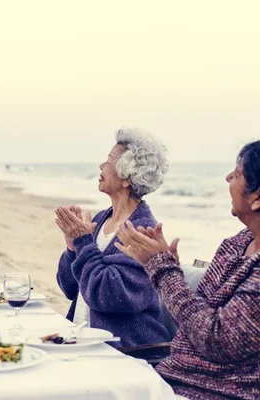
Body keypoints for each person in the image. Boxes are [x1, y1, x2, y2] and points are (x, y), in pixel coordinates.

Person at [116, 140, 260, 400]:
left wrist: (162, 269)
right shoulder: (235, 244)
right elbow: (195, 317)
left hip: (212, 392)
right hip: (172, 377)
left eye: (237, 174)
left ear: (257, 197)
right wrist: (168, 273)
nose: (227, 177)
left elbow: (217, 340)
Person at [55, 128, 171, 347]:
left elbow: (107, 296)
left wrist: (83, 242)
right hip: (82, 344)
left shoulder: (142, 232)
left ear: (127, 176)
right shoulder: (100, 220)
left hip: (127, 353)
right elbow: (69, 288)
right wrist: (72, 248)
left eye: (109, 161)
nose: (101, 166)